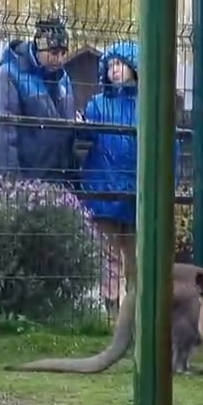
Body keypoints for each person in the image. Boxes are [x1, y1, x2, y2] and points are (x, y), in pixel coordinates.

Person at [79, 41, 141, 307]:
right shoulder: (97, 105)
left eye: (120, 64)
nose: (114, 70)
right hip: (102, 189)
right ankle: (111, 305)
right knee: (108, 255)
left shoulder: (147, 105)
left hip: (136, 192)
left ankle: (138, 305)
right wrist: (80, 127)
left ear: (134, 68)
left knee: (137, 255)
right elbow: (86, 138)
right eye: (110, 65)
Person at [0, 17, 78, 185]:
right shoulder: (9, 75)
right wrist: (11, 184)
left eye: (64, 53)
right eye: (53, 53)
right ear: (38, 49)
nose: (59, 60)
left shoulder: (63, 79)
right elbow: (3, 135)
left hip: (58, 182)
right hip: (24, 183)